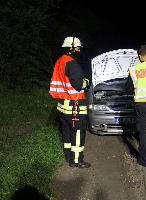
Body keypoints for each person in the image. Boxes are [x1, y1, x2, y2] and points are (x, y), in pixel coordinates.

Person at [49, 36, 91, 168]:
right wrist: (87, 81)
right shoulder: (72, 63)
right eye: (77, 48)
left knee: (66, 132)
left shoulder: (60, 61)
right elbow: (79, 85)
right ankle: (77, 160)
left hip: (63, 106)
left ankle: (68, 157)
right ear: (71, 48)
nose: (79, 50)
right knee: (78, 133)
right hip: (75, 107)